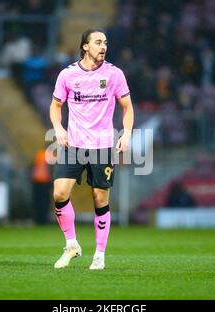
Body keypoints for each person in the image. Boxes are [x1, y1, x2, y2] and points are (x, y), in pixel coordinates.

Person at [49, 29, 134, 270]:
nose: (103, 46)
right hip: (73, 144)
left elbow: (127, 107)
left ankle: (99, 254)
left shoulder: (114, 74)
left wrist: (126, 133)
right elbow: (56, 105)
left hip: (102, 145)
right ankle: (72, 244)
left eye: (105, 42)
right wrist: (58, 128)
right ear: (85, 46)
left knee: (100, 199)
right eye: (98, 42)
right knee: (59, 193)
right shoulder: (67, 75)